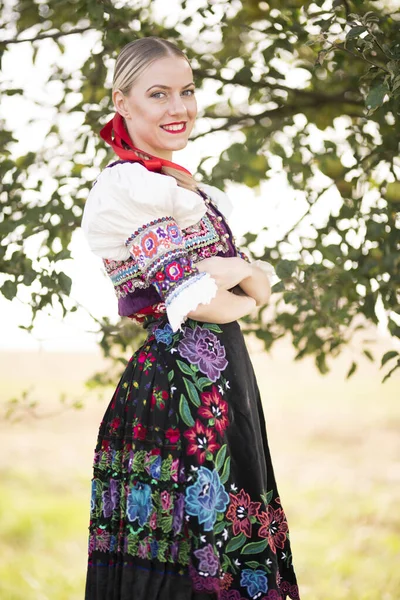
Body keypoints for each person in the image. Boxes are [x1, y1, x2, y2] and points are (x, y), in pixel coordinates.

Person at [81, 36, 300, 600]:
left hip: (225, 383)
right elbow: (199, 300)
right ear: (122, 103)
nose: (178, 108)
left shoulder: (183, 186)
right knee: (188, 560)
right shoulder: (126, 185)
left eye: (186, 91)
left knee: (234, 538)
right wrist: (240, 279)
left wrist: (226, 270)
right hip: (176, 386)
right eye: (158, 94)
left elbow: (246, 285)